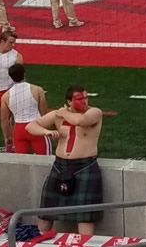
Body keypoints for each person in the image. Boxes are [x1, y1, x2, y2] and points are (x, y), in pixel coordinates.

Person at [25, 85, 105, 236]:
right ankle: (39, 245)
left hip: (85, 166)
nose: (85, 101)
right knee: (46, 212)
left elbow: (80, 121)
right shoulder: (57, 115)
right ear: (69, 102)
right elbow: (31, 126)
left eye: (86, 97)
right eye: (80, 99)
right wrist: (47, 132)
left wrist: (62, 113)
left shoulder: (95, 112)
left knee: (84, 217)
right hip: (60, 166)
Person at [5, 62, 50, 155]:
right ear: (24, 73)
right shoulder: (37, 90)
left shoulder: (6, 96)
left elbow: (4, 119)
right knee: (46, 161)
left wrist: (7, 136)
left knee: (21, 163)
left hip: (19, 130)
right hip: (36, 127)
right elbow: (44, 114)